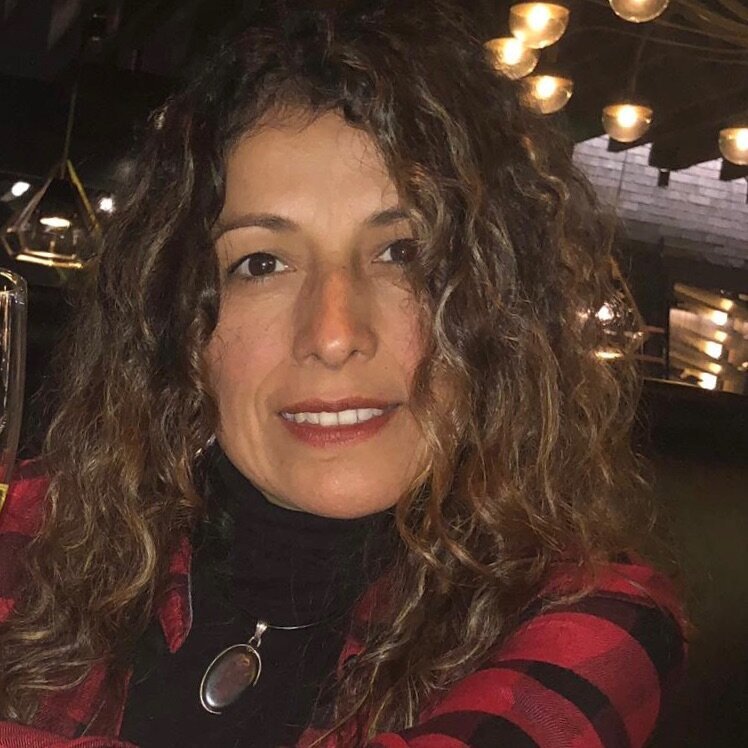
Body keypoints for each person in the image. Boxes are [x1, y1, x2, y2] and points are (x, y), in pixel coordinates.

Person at [0, 1, 687, 746]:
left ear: (501, 308)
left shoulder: (593, 620)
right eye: (261, 263)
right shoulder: (39, 522)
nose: (332, 336)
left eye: (404, 255)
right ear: (181, 328)